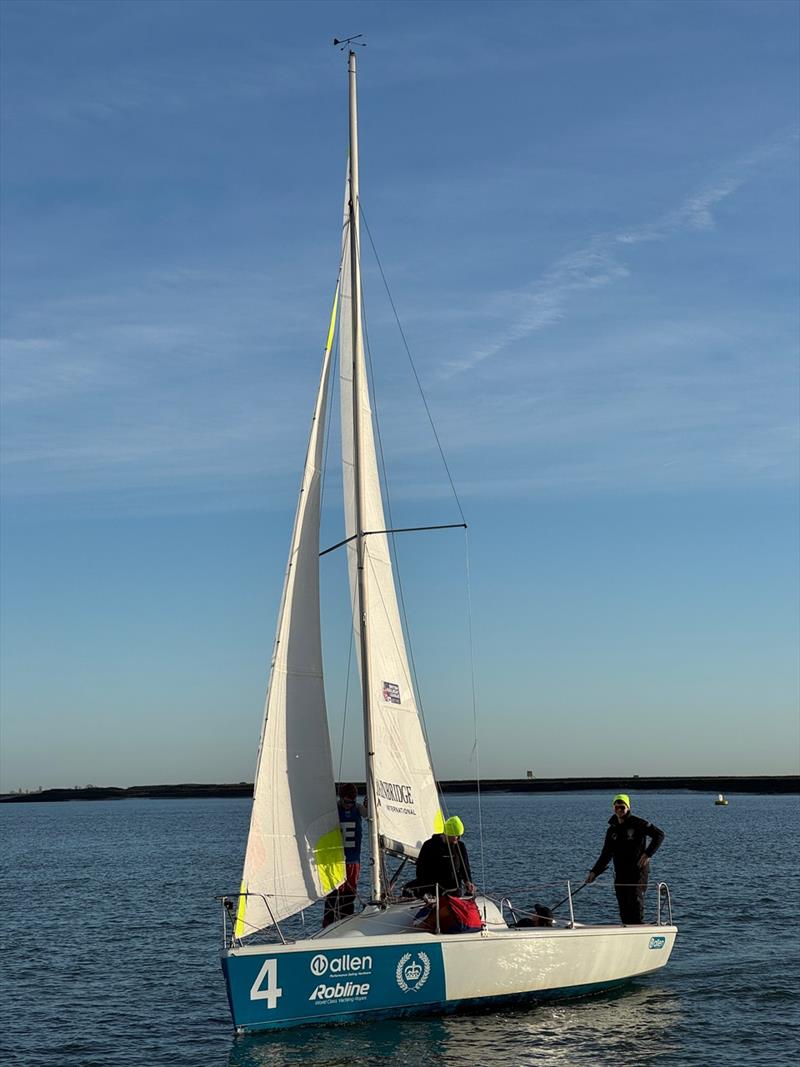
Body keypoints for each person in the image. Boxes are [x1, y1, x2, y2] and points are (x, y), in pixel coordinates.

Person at [586, 793, 665, 924]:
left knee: (635, 906)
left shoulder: (638, 823)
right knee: (624, 909)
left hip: (637, 873)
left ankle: (639, 931)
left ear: (628, 807)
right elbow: (606, 854)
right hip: (620, 874)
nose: (619, 810)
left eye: (622, 807)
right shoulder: (612, 830)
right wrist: (594, 872)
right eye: (616, 807)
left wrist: (648, 854)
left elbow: (659, 835)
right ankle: (626, 931)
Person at [403, 815, 476, 898]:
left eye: (459, 836)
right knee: (406, 889)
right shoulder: (429, 845)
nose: (458, 838)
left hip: (453, 888)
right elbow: (420, 870)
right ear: (447, 834)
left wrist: (468, 882)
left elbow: (465, 867)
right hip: (432, 886)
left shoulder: (460, 846)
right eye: (455, 836)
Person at [322, 783, 363, 927]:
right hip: (335, 861)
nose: (349, 805)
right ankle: (328, 924)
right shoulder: (334, 810)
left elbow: (369, 814)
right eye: (346, 802)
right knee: (332, 895)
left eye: (352, 802)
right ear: (341, 799)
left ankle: (347, 922)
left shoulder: (357, 809)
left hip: (352, 861)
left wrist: (370, 805)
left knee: (349, 896)